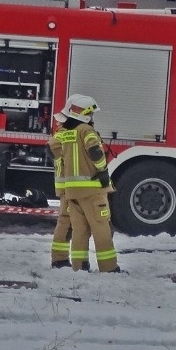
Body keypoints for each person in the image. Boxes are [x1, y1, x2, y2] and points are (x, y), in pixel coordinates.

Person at [49, 94, 119, 272]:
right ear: (85, 113)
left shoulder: (65, 133)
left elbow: (53, 149)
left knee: (79, 229)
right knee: (101, 226)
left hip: (72, 191)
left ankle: (79, 266)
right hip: (92, 189)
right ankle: (109, 267)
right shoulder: (86, 131)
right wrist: (103, 171)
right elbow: (96, 152)